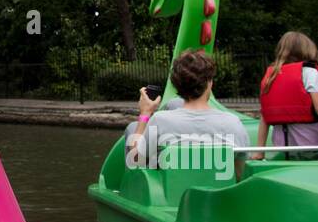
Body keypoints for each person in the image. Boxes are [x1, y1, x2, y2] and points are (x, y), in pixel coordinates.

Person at [127, 49, 247, 179]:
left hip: (172, 194)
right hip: (218, 196)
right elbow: (240, 173)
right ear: (209, 83)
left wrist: (145, 113)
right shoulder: (233, 123)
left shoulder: (160, 121)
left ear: (177, 86)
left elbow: (135, 160)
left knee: (132, 129)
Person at [256, 32, 318, 159]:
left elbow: (264, 117)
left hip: (282, 149)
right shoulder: (309, 72)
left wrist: (259, 151)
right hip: (310, 148)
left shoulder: (270, 76)